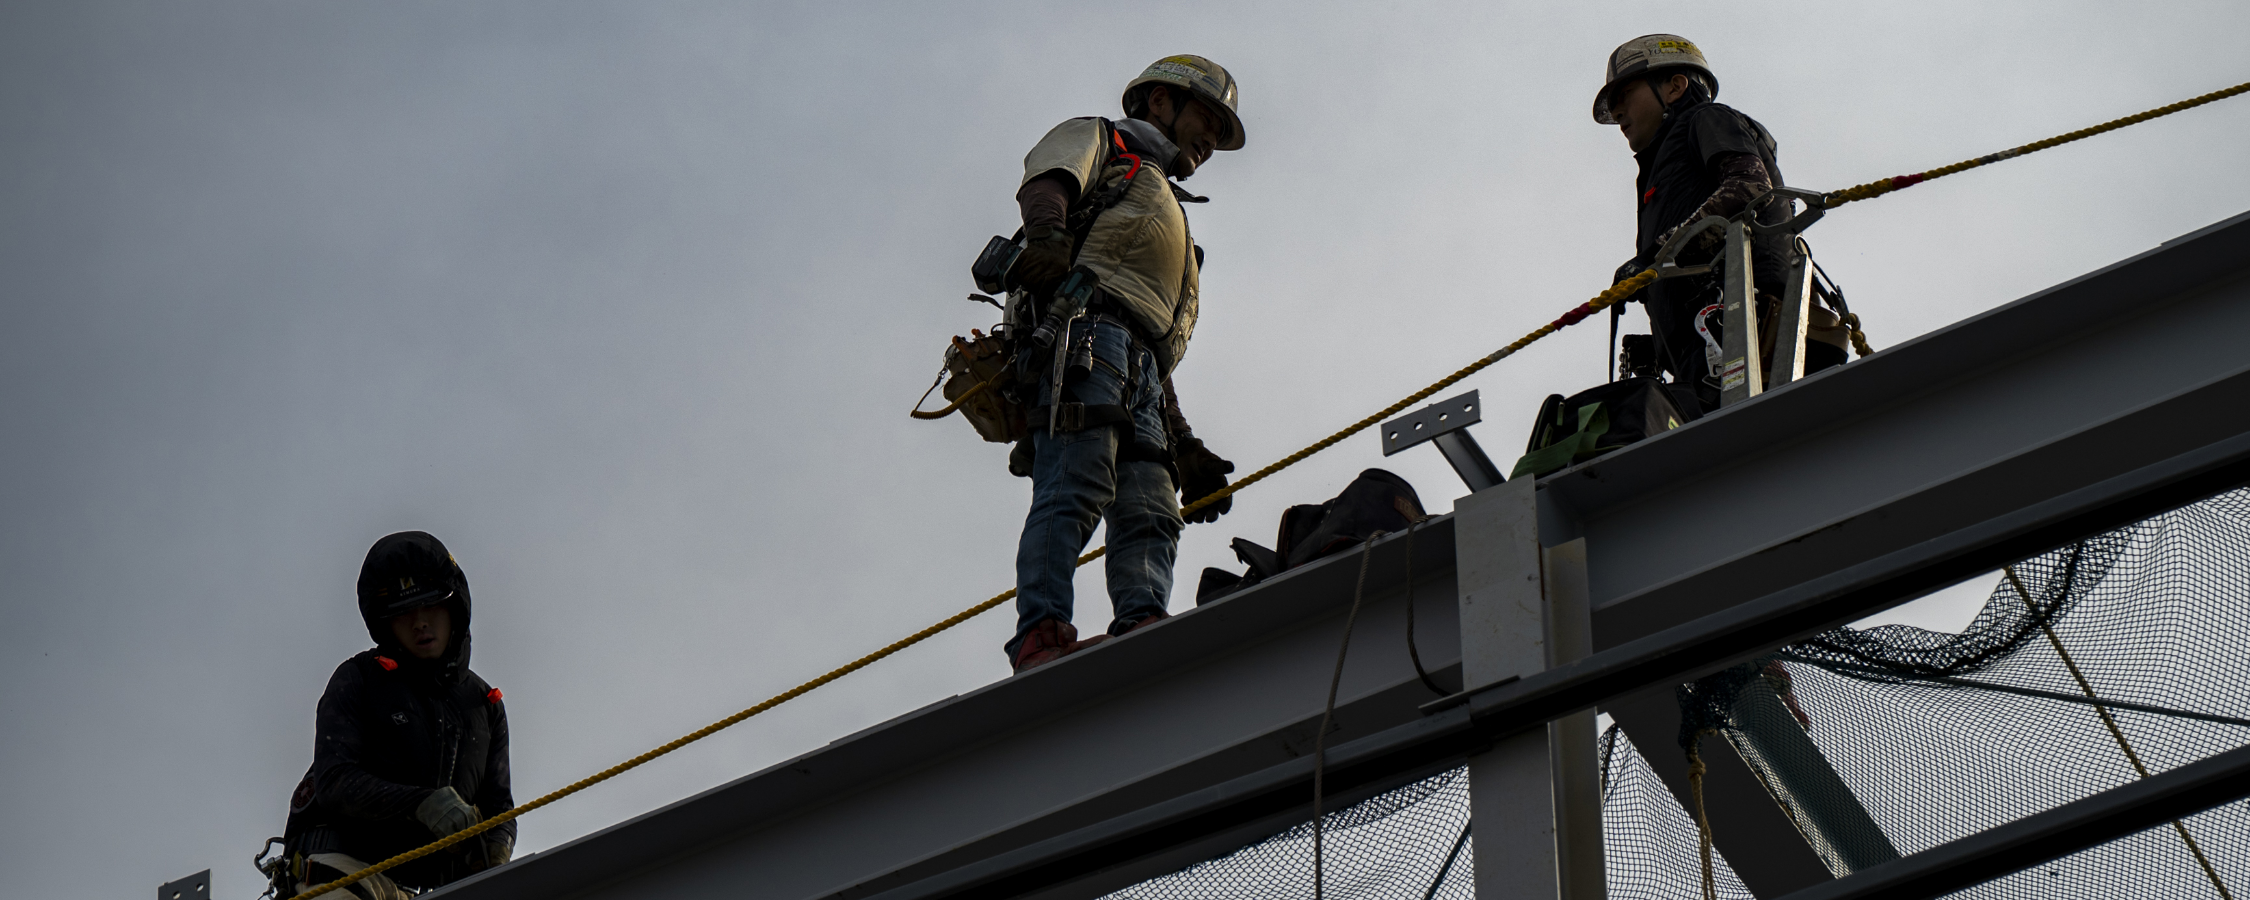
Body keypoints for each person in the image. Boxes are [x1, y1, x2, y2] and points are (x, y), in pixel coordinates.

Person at [1003, 55, 1245, 672]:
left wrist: (1183, 440)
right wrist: (1048, 237)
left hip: (1134, 361)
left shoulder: (1165, 205)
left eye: (1221, 131)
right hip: (1082, 334)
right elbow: (1049, 178)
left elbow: (1150, 340)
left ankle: (1142, 619)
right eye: (1208, 119)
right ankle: (1043, 632)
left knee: (1152, 506)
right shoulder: (1107, 143)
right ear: (1159, 102)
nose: (1211, 140)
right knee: (1076, 480)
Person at [1598, 34, 1847, 414]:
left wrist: (1653, 258)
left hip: (1741, 333)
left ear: (1675, 87)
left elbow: (1748, 189)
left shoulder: (1706, 119)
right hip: (1703, 354)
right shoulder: (1658, 174)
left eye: (1624, 96)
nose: (1617, 113)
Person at [271, 532, 514, 899]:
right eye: (403, 613)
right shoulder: (360, 677)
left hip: (437, 890)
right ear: (386, 624)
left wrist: (497, 852)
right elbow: (335, 780)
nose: (419, 623)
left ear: (454, 608)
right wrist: (421, 804)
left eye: (430, 605)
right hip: (347, 871)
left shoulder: (486, 706)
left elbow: (499, 808)